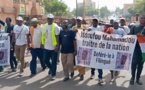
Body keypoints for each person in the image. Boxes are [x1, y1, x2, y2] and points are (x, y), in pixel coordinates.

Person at [41, 14, 60, 80]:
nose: (50, 20)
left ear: (53, 19)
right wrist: (42, 43)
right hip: (46, 47)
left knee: (54, 62)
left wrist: (57, 46)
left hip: (53, 48)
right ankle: (51, 68)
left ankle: (53, 74)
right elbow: (43, 35)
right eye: (48, 18)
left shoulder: (55, 27)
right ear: (47, 19)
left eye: (51, 19)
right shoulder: (45, 26)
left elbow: (57, 37)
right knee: (45, 60)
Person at [129, 15, 145, 85]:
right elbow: (129, 36)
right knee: (134, 63)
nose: (143, 19)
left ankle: (138, 78)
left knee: (140, 64)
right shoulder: (134, 27)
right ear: (139, 19)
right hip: (135, 48)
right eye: (142, 18)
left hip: (143, 50)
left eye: (144, 18)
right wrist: (136, 35)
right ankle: (132, 77)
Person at [88, 18, 104, 83]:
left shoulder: (101, 28)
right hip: (92, 47)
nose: (94, 23)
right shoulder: (90, 28)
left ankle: (100, 77)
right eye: (93, 22)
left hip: (99, 48)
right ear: (92, 22)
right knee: (93, 62)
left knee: (99, 63)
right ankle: (92, 73)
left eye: (96, 22)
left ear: (97, 22)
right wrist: (87, 31)